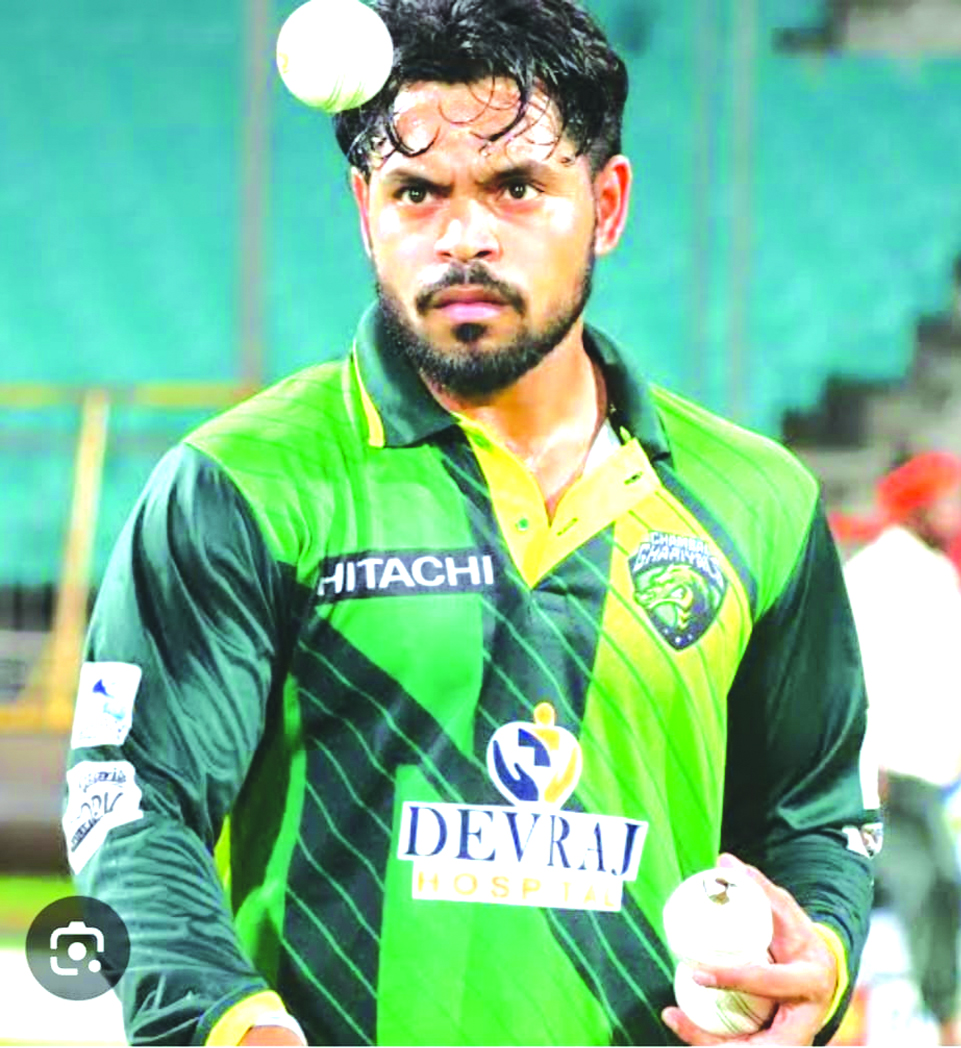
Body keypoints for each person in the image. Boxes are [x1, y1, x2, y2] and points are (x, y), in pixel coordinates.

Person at [61, 1, 879, 1044]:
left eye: (516, 187)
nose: (463, 238)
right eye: (416, 192)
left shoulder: (758, 498)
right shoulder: (241, 484)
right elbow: (131, 798)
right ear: (366, 212)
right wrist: (229, 1023)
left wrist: (818, 956)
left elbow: (817, 818)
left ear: (607, 205)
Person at [844, 451, 961, 1046]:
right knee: (920, 889)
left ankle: (943, 1017)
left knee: (939, 888)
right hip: (894, 769)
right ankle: (941, 1020)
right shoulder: (876, 572)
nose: (955, 514)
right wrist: (869, 758)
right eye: (946, 502)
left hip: (938, 772)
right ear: (917, 508)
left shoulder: (935, 570)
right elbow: (852, 673)